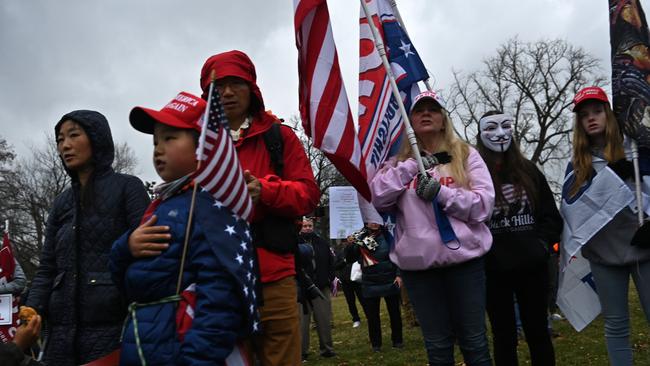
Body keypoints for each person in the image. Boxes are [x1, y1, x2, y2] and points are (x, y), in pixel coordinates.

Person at [111, 92, 258, 365]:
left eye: (169, 138)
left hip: (182, 348)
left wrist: (197, 358)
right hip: (146, 343)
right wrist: (126, 246)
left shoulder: (210, 207)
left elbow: (220, 296)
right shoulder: (161, 204)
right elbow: (128, 283)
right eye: (155, 141)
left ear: (204, 146)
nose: (157, 148)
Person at [200, 50, 320, 366]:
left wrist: (265, 190)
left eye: (235, 83)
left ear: (251, 87)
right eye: (218, 85)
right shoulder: (195, 145)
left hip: (274, 277)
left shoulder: (278, 136)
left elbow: (308, 194)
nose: (226, 92)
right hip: (217, 283)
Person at [370, 90, 495, 366]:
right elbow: (378, 196)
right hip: (420, 270)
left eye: (433, 109)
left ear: (443, 119)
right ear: (410, 120)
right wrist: (412, 166)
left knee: (474, 344)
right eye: (419, 110)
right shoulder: (398, 164)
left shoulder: (466, 155)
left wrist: (442, 194)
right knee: (437, 348)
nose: (426, 113)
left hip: (465, 264)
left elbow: (483, 205)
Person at [25, 110, 150, 365]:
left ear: (96, 138)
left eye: (74, 135)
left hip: (113, 326)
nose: (65, 145)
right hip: (59, 332)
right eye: (60, 139)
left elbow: (148, 255)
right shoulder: (61, 202)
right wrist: (33, 309)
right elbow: (47, 266)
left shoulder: (128, 187)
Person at [562, 86, 650, 366]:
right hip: (603, 253)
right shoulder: (576, 165)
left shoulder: (637, 150)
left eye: (597, 111)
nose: (591, 118)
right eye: (584, 114)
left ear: (608, 113)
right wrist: (605, 180)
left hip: (643, 247)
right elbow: (572, 210)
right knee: (615, 325)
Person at [476, 111, 562, 365]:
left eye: (505, 126)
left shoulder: (529, 171)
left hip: (532, 268)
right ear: (481, 134)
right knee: (503, 337)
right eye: (491, 127)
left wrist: (542, 246)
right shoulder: (475, 175)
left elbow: (551, 216)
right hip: (494, 271)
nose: (500, 133)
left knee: (538, 333)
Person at [346, 222, 403, 352]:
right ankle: (376, 344)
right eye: (371, 220)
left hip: (390, 279)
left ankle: (398, 341)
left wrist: (399, 274)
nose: (374, 223)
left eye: (376, 220)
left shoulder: (388, 235)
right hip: (369, 282)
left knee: (395, 313)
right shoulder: (358, 238)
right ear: (366, 222)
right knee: (372, 316)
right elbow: (350, 258)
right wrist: (350, 244)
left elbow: (398, 255)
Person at [297, 218, 335, 360]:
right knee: (302, 323)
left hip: (321, 286)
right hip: (302, 289)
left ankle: (327, 349)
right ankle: (302, 353)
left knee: (323, 319)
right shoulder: (294, 243)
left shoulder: (321, 242)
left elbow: (331, 262)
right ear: (300, 227)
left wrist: (329, 278)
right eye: (304, 226)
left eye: (309, 226)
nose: (307, 228)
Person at [334, 239, 364, 328]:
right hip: (345, 280)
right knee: (350, 301)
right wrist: (344, 261)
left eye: (347, 240)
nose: (346, 242)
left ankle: (369, 315)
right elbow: (335, 265)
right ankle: (356, 319)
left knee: (363, 299)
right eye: (344, 241)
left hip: (356, 279)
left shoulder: (356, 248)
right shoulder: (339, 252)